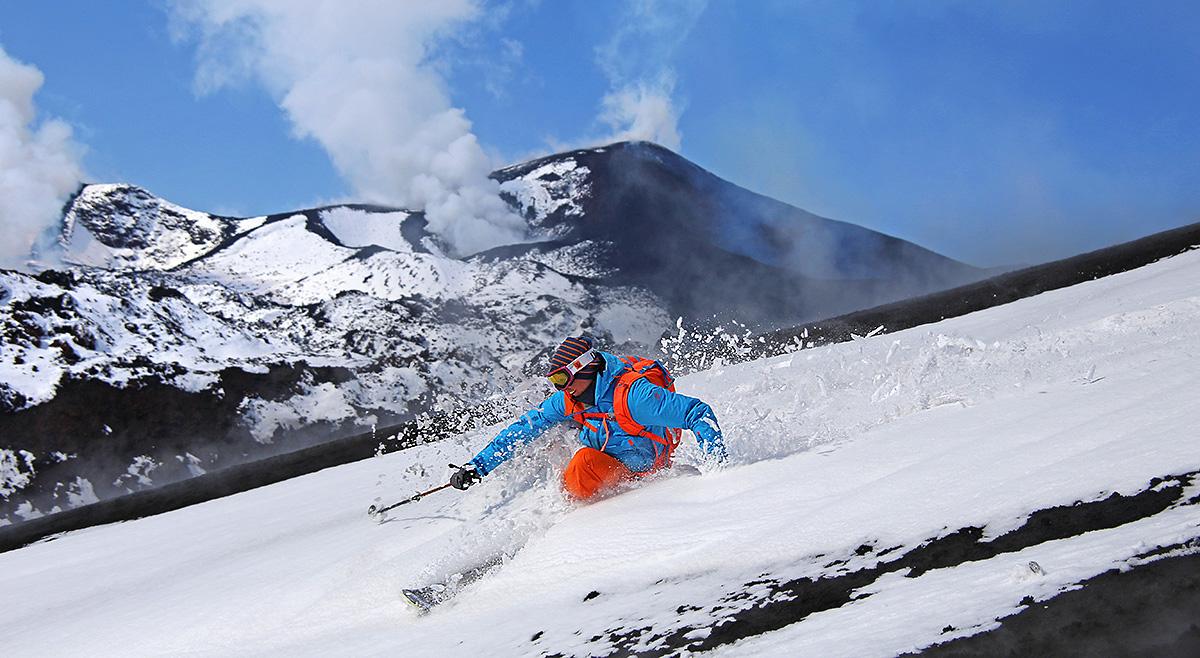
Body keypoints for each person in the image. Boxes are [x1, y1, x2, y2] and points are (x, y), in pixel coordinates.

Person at [450, 336, 726, 500]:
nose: (559, 387)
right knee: (548, 438)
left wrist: (721, 472)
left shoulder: (634, 397)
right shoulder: (569, 399)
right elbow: (525, 427)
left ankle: (576, 521)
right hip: (607, 455)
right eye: (554, 381)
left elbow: (697, 413)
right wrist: (478, 467)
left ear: (584, 370)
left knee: (580, 467)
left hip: (642, 470)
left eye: (562, 378)